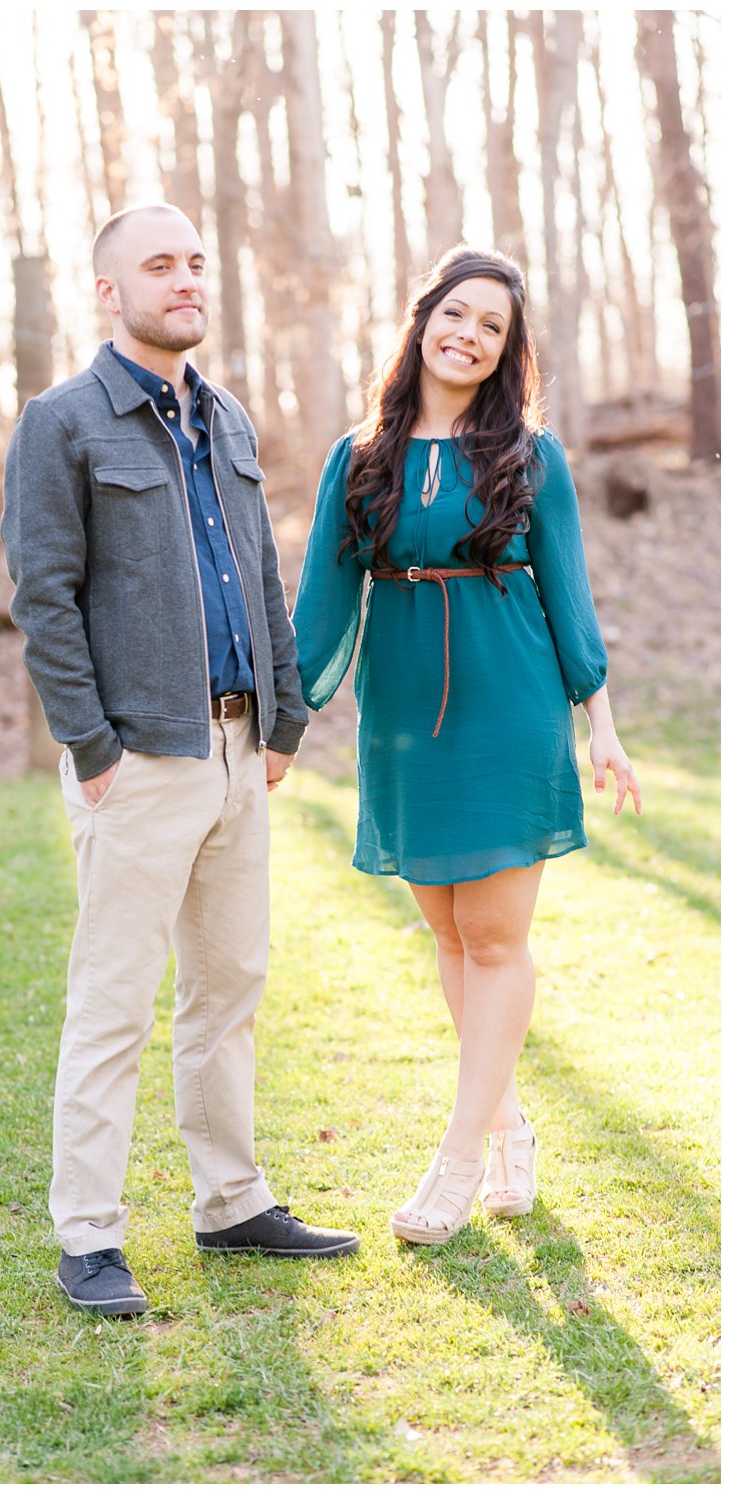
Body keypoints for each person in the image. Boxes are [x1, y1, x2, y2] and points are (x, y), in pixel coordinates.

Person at [0, 203, 359, 1316]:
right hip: (139, 758)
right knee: (113, 1000)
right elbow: (42, 599)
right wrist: (90, 746)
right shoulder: (63, 424)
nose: (185, 280)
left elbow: (259, 573)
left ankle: (230, 1201)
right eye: (160, 265)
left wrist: (284, 720)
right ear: (108, 292)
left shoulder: (229, 420)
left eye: (195, 262)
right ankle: (89, 1237)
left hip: (240, 749)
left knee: (229, 986)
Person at [292, 245, 641, 1246]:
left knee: (494, 940)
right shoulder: (356, 456)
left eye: (491, 327)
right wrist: (286, 717)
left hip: (507, 702)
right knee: (447, 936)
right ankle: (510, 1129)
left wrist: (601, 724)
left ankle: (456, 1165)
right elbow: (322, 600)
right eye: (456, 314)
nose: (469, 335)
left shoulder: (530, 457)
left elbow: (567, 595)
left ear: (505, 350)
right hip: (402, 712)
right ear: (423, 320)